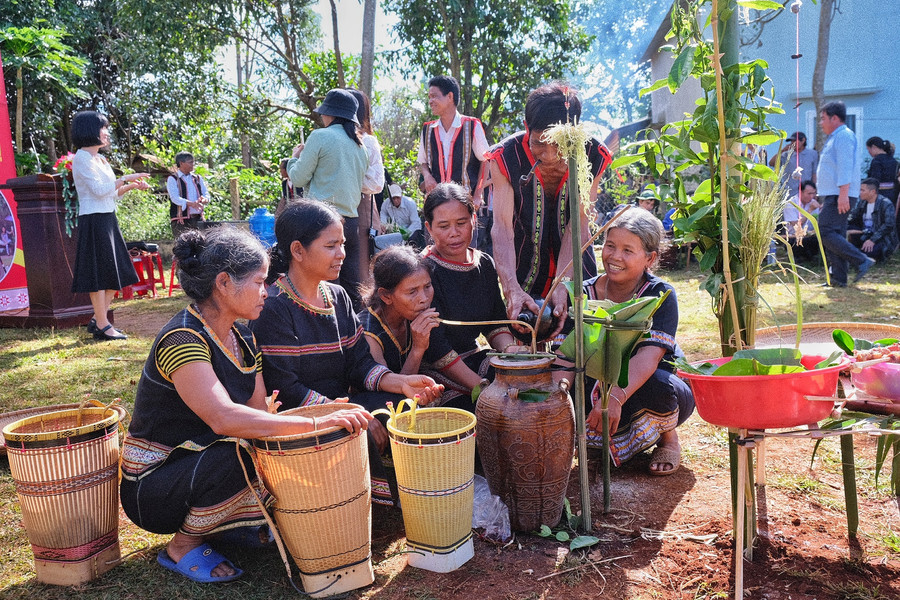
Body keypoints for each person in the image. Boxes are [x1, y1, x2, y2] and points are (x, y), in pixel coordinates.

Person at [120, 226, 372, 584]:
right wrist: (315, 425)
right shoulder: (182, 339)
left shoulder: (243, 335)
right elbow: (224, 418)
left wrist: (323, 412)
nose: (266, 292)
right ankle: (182, 545)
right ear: (223, 283)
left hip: (197, 462)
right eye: (258, 282)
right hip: (152, 484)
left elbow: (258, 413)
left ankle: (228, 525)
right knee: (239, 450)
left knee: (261, 443)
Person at [248, 200, 444, 504]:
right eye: (331, 246)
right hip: (301, 417)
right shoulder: (275, 306)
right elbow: (285, 388)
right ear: (298, 251)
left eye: (342, 244)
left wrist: (401, 383)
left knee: (404, 407)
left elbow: (360, 364)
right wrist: (346, 412)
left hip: (342, 405)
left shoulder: (337, 296)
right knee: (359, 426)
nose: (341, 254)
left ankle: (406, 488)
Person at [489, 82, 613, 337]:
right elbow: (501, 227)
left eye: (559, 145)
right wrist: (511, 287)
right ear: (526, 127)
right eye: (539, 144)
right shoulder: (504, 156)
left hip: (576, 261)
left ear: (575, 132)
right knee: (524, 343)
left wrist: (563, 283)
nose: (549, 155)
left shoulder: (594, 155)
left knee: (580, 343)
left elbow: (578, 224)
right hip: (522, 262)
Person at [581, 209, 694, 475]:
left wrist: (615, 399)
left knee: (657, 383)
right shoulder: (581, 294)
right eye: (610, 246)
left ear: (650, 258)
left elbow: (648, 358)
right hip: (597, 384)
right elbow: (568, 356)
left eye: (627, 250)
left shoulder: (660, 294)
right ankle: (603, 441)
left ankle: (668, 439)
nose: (615, 257)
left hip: (652, 388)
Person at [421, 183, 517, 407]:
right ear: (429, 227)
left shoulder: (484, 263)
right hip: (437, 370)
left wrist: (512, 353)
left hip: (473, 358)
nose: (454, 233)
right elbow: (437, 348)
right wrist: (483, 387)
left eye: (461, 223)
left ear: (474, 219)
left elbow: (496, 323)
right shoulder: (423, 272)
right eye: (443, 226)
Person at [69, 110, 150, 341]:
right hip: (93, 220)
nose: (106, 133)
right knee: (99, 274)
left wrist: (132, 185)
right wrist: (125, 178)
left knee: (114, 272)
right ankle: (103, 324)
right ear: (90, 131)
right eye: (103, 128)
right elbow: (98, 190)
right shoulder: (82, 158)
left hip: (107, 217)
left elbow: (111, 193)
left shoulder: (100, 159)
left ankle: (98, 320)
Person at [287, 89, 368, 310]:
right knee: (353, 288)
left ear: (330, 114)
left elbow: (298, 177)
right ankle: (356, 333)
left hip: (322, 222)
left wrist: (294, 159)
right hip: (351, 222)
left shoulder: (320, 136)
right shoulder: (361, 146)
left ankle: (330, 334)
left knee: (326, 287)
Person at [816, 101, 874, 288]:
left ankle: (861, 260)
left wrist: (843, 194)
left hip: (840, 193)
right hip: (835, 193)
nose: (821, 123)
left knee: (824, 231)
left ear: (834, 118)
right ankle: (839, 279)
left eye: (823, 119)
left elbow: (845, 167)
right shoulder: (835, 137)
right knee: (836, 233)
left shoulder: (844, 136)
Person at [417, 75, 490, 198]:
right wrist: (427, 176)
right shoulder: (427, 130)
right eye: (429, 97)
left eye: (434, 96)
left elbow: (486, 161)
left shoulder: (472, 125)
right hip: (437, 202)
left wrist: (477, 195)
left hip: (465, 201)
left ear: (450, 96)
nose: (430, 101)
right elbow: (422, 162)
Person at [347, 88, 385, 283]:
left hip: (362, 209)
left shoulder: (367, 141)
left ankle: (365, 313)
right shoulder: (334, 140)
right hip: (338, 211)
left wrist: (346, 179)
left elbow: (376, 183)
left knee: (363, 273)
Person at [847, 178, 898, 262]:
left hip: (881, 238)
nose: (860, 193)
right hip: (864, 234)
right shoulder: (862, 203)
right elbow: (853, 217)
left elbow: (888, 225)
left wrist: (872, 240)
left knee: (870, 252)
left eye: (862, 190)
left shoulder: (886, 204)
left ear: (873, 191)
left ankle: (856, 255)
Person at [166, 152, 209, 237]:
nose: (193, 164)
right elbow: (174, 197)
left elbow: (206, 194)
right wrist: (190, 203)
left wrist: (204, 199)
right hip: (181, 220)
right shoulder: (173, 179)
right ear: (181, 163)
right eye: (190, 162)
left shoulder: (197, 178)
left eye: (193, 162)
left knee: (201, 245)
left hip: (198, 218)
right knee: (183, 246)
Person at [768, 131, 818, 199]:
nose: (792, 143)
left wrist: (815, 192)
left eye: (794, 141)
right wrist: (782, 150)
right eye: (791, 141)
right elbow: (771, 163)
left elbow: (814, 174)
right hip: (789, 194)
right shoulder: (786, 155)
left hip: (806, 194)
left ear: (803, 140)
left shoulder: (813, 154)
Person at [782, 179, 821, 262]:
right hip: (794, 237)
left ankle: (811, 257)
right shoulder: (790, 204)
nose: (812, 196)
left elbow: (818, 221)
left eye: (814, 193)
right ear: (801, 192)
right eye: (809, 193)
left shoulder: (813, 202)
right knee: (795, 243)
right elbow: (796, 225)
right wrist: (809, 210)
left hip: (810, 236)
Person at [380, 184, 424, 249]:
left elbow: (415, 222)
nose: (395, 200)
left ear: (401, 195)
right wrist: (383, 224)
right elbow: (383, 214)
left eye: (397, 197)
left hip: (411, 228)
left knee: (412, 240)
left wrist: (406, 234)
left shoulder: (410, 203)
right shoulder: (386, 203)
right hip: (398, 229)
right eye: (393, 198)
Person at [865, 136, 899, 205]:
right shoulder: (893, 160)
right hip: (893, 194)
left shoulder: (876, 161)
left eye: (868, 149)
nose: (869, 152)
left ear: (874, 147)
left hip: (880, 194)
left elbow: (875, 179)